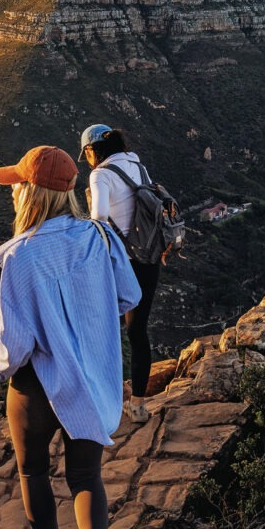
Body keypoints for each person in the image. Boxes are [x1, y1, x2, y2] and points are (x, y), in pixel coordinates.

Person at [0, 144, 141, 529]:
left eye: (17, 183)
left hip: (34, 389)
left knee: (34, 474)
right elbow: (128, 295)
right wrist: (85, 316)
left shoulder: (21, 256)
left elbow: (15, 348)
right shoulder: (100, 235)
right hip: (92, 377)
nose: (12, 191)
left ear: (30, 191)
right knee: (85, 475)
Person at [79, 124, 161, 424]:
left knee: (102, 331)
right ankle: (138, 406)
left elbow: (99, 218)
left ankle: (103, 403)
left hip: (120, 264)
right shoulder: (138, 165)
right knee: (138, 332)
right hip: (149, 258)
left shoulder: (100, 174)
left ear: (92, 150)